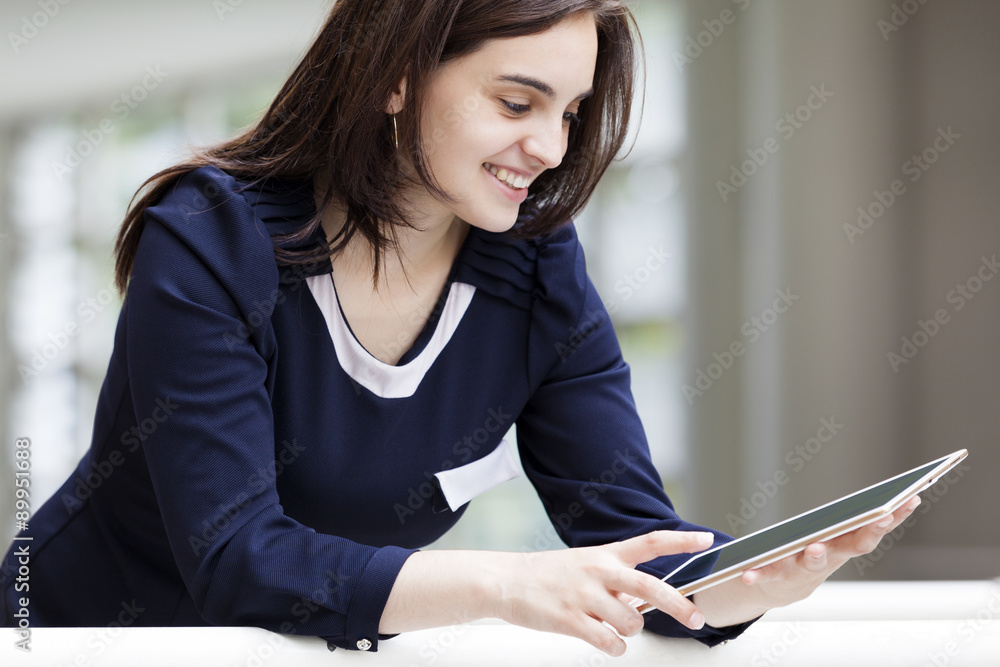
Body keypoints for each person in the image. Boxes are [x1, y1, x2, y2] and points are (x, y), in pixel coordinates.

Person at [1, 0, 919, 656]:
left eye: (568, 112)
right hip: (84, 639)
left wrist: (739, 585)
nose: (553, 148)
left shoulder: (535, 269)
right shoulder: (210, 240)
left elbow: (632, 530)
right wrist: (507, 584)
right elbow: (241, 557)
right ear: (395, 79)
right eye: (517, 104)